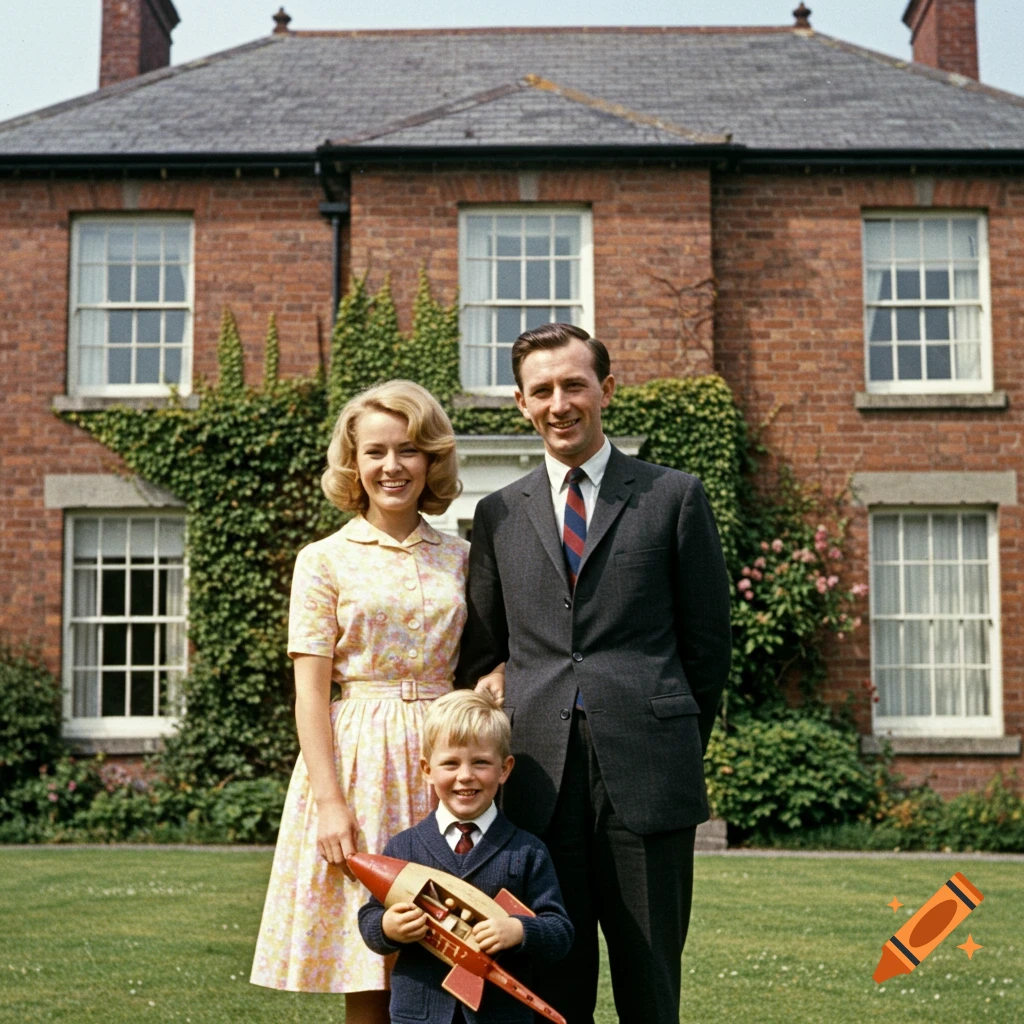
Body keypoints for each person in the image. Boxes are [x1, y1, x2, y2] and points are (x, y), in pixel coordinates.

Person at [456, 323, 733, 1024]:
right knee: (548, 987)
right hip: (538, 786)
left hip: (650, 771)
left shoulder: (673, 496)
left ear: (605, 390)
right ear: (520, 403)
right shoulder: (496, 514)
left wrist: (668, 733)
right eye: (541, 390)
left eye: (573, 385)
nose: (560, 403)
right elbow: (485, 647)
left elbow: (708, 647)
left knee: (650, 985)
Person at [250, 380, 471, 1024]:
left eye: (408, 450)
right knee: (372, 959)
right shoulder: (323, 560)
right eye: (375, 452)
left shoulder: (461, 555)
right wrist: (329, 802)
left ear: (431, 459)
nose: (391, 466)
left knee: (451, 950)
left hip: (444, 754)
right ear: (354, 463)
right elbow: (310, 693)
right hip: (360, 761)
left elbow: (493, 656)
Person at [357, 688, 574, 1024]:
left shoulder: (527, 850)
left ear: (504, 769)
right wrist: (388, 927)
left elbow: (559, 932)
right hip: (421, 1014)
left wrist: (519, 931)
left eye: (481, 763)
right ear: (427, 770)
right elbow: (370, 917)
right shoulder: (404, 848)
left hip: (501, 1015)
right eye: (450, 763)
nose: (465, 776)